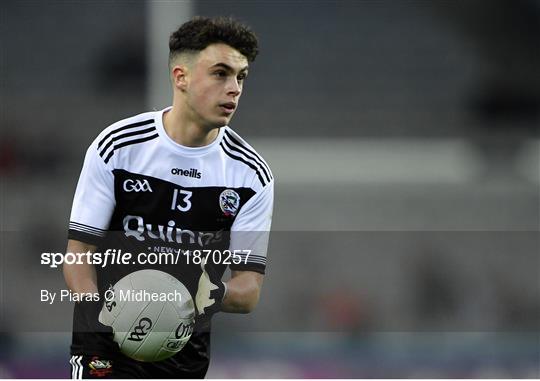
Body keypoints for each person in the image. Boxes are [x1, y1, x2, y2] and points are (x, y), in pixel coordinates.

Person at [63, 16, 273, 378]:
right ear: (181, 77)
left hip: (182, 357)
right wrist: (99, 313)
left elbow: (249, 288)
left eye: (241, 77)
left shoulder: (251, 176)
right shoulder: (118, 147)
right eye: (221, 73)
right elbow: (78, 257)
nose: (234, 88)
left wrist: (215, 291)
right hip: (103, 349)